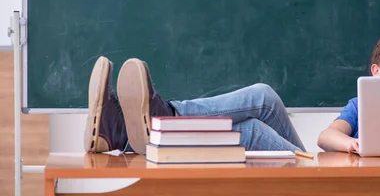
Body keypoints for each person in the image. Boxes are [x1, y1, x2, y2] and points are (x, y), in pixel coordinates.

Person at [84, 56, 305, 154]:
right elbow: (328, 136)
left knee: (253, 131)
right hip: (324, 165)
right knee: (264, 97)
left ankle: (127, 131)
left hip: (331, 180)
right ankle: (123, 132)